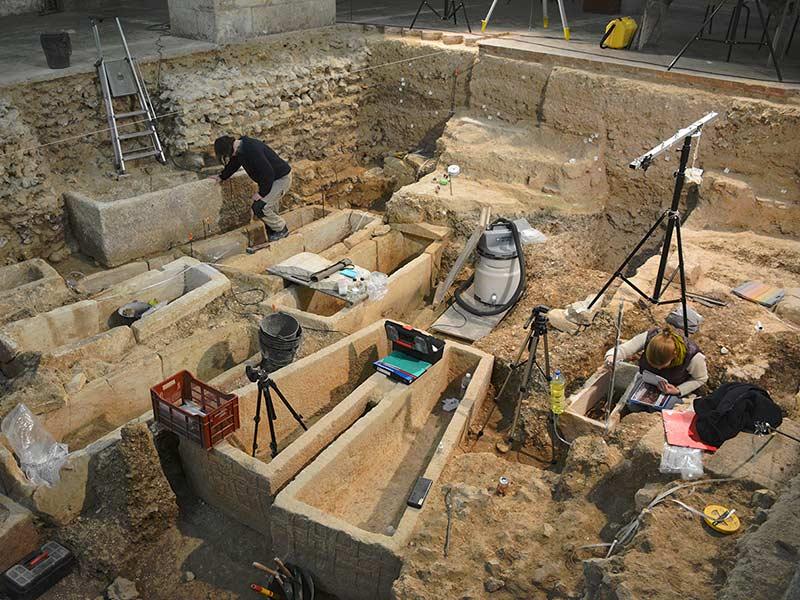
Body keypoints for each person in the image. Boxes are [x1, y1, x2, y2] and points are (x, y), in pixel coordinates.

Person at [212, 135, 291, 241]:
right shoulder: (240, 148)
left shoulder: (252, 149)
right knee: (268, 207)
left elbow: (268, 172)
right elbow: (233, 165)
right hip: (271, 180)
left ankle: (282, 230)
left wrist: (261, 193)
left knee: (260, 207)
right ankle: (273, 232)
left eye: (228, 154)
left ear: (230, 148)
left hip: (280, 178)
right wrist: (221, 177)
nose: (231, 156)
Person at [604, 326, 708, 397]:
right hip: (648, 381)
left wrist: (678, 390)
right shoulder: (648, 337)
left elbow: (701, 379)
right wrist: (611, 357)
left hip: (672, 387)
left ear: (674, 355)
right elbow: (624, 349)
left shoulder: (693, 356)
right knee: (633, 407)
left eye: (662, 365)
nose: (658, 369)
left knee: (660, 410)